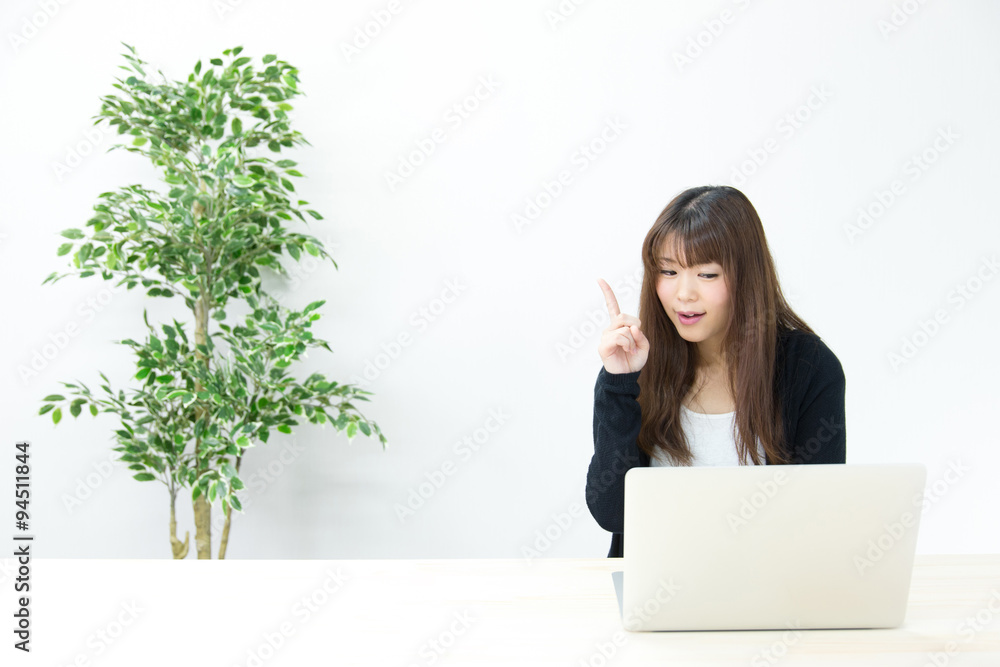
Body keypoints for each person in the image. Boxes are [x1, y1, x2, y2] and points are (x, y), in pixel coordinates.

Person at [586, 185, 846, 558]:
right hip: (656, 587)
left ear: (747, 276)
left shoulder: (808, 367)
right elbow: (612, 514)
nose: (684, 294)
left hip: (765, 588)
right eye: (669, 271)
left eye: (707, 274)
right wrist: (619, 384)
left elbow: (817, 520)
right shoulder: (634, 365)